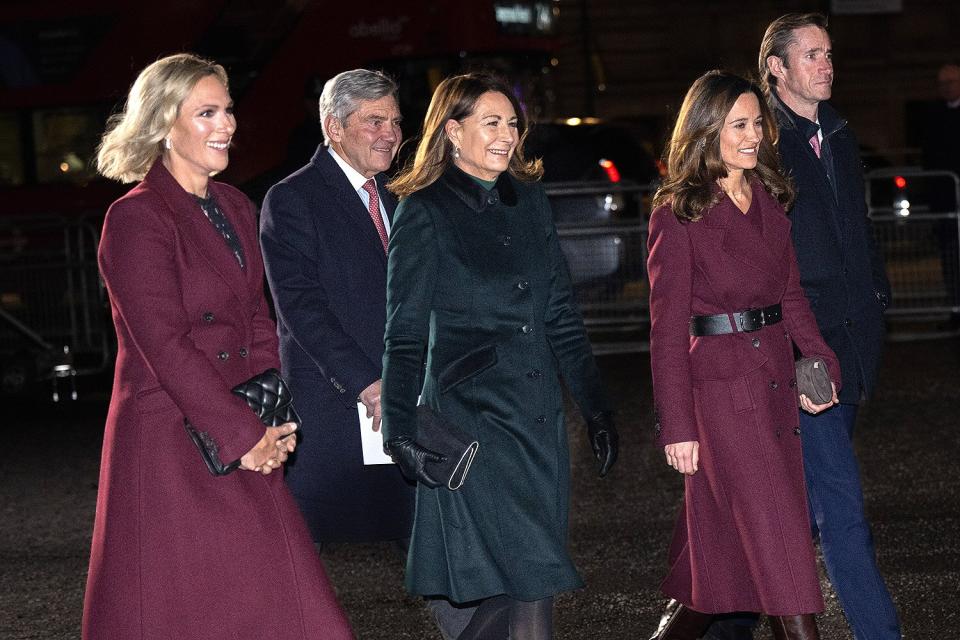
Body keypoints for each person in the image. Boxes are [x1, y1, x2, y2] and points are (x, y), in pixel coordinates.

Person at [82, 53, 353, 638]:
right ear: (162, 124)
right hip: (170, 443)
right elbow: (165, 346)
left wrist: (272, 422)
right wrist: (241, 435)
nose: (226, 124)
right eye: (206, 112)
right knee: (187, 612)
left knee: (291, 612)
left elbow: (257, 317)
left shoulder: (233, 204)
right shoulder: (135, 219)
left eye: (227, 110)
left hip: (245, 429)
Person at [380, 72, 618, 640]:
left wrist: (597, 407)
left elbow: (560, 312)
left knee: (526, 577)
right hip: (475, 420)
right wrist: (399, 426)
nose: (507, 135)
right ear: (453, 131)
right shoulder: (425, 210)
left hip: (538, 421)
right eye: (492, 122)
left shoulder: (529, 200)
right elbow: (405, 332)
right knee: (532, 575)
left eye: (512, 123)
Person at [646, 70, 841, 640]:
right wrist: (676, 427)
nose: (754, 135)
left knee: (724, 571)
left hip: (775, 386)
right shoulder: (678, 213)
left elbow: (791, 295)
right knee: (784, 550)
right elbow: (665, 332)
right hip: (722, 401)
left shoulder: (771, 200)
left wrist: (821, 359)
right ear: (707, 131)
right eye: (739, 124)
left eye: (758, 123)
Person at [260, 69, 414, 545]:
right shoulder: (292, 199)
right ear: (334, 127)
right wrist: (366, 383)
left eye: (394, 120)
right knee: (328, 555)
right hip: (342, 407)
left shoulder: (404, 192)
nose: (389, 134)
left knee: (427, 542)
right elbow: (301, 308)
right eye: (374, 121)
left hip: (409, 396)